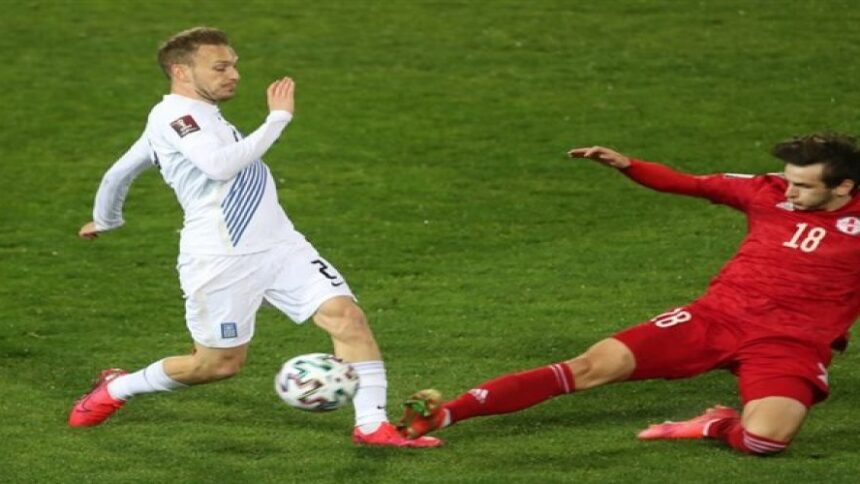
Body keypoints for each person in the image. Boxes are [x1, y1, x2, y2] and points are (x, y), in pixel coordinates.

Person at [68, 26, 440, 448]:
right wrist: (277, 120)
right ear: (181, 72)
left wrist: (106, 219)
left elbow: (120, 171)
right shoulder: (173, 117)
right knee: (217, 365)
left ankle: (372, 425)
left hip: (282, 245)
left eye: (234, 65)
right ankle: (118, 387)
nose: (234, 75)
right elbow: (219, 166)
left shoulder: (201, 116)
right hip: (222, 257)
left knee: (347, 318)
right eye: (220, 67)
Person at [397, 133, 860, 455]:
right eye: (789, 180)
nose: (789, 192)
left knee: (764, 441)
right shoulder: (765, 191)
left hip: (790, 343)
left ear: (843, 186)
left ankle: (716, 423)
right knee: (590, 366)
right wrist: (628, 166)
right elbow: (691, 184)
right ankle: (444, 415)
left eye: (803, 186)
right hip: (714, 319)